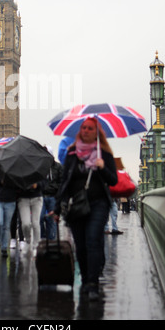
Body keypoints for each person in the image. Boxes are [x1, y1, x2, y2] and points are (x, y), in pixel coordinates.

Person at [52, 117, 117, 301]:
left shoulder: (103, 153)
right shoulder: (72, 153)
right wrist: (57, 208)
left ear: (96, 133)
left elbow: (113, 180)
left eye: (90, 128)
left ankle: (92, 283)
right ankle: (87, 277)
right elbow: (65, 182)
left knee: (93, 241)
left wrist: (102, 168)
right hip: (76, 205)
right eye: (84, 128)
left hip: (98, 204)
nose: (86, 130)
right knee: (80, 247)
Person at [39, 147, 63, 240]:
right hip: (41, 196)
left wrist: (56, 191)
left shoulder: (58, 167)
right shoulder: (40, 167)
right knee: (40, 218)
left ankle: (51, 240)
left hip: (53, 197)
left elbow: (61, 182)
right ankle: (43, 237)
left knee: (51, 220)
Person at [17, 180, 44, 257]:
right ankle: (27, 240)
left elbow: (45, 183)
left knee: (36, 223)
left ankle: (36, 245)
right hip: (23, 198)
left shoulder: (38, 170)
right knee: (25, 223)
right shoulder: (19, 170)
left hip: (37, 197)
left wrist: (37, 184)